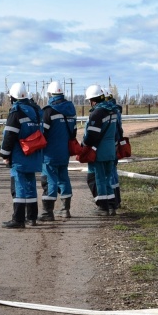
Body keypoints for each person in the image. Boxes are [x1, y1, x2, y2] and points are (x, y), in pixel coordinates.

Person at [0, 82, 44, 228]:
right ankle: (32, 218)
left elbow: (9, 136)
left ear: (13, 98)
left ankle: (18, 219)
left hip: (20, 155)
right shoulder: (36, 111)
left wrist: (4, 154)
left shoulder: (16, 113)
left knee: (20, 186)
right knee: (31, 185)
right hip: (34, 153)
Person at [38, 81, 77, 220]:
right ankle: (65, 210)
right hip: (64, 152)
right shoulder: (71, 110)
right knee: (64, 178)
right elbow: (73, 133)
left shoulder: (48, 111)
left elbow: (43, 134)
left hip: (50, 153)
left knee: (50, 180)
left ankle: (47, 212)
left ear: (50, 94)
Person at [82, 84, 119, 216]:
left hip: (99, 151)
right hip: (110, 151)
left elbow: (92, 135)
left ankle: (103, 207)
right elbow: (117, 132)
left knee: (100, 179)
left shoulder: (97, 113)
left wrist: (84, 144)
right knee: (108, 178)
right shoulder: (113, 111)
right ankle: (111, 205)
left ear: (93, 100)